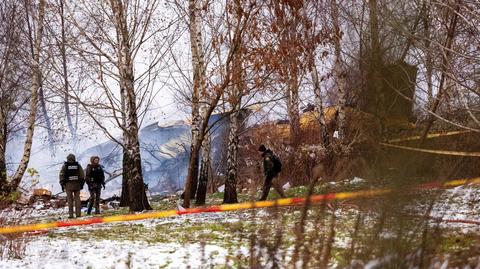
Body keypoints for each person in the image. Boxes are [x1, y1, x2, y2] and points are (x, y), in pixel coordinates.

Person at [59, 154, 85, 219]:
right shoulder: (78, 166)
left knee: (70, 200)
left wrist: (62, 184)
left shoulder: (65, 166)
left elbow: (62, 175)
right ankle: (78, 214)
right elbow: (82, 175)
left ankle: (71, 215)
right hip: (77, 185)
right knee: (77, 200)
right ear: (74, 158)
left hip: (68, 185)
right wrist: (82, 183)